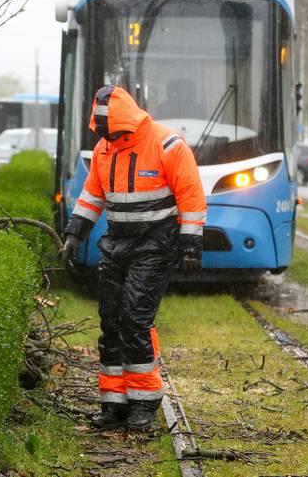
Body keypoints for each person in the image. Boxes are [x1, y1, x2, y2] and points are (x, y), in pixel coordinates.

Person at [61, 85, 206, 431]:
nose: (106, 138)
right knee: (110, 321)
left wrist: (191, 244)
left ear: (122, 122)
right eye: (103, 133)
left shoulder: (167, 145)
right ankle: (114, 404)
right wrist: (74, 232)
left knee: (135, 319)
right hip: (116, 244)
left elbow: (190, 194)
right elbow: (92, 194)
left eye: (110, 132)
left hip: (155, 245)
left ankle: (144, 404)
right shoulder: (104, 149)